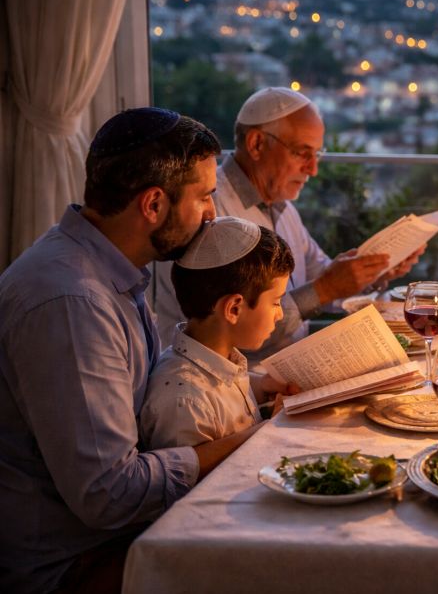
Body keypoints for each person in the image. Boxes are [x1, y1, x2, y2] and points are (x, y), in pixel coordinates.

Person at [0, 109, 266, 592]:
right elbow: (109, 494)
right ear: (153, 204)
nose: (212, 213)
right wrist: (247, 442)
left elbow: (147, 388)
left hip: (108, 535)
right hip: (72, 561)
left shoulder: (108, 267)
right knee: (279, 566)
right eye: (206, 196)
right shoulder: (73, 301)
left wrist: (258, 388)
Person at [152, 86, 424, 362]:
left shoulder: (283, 206)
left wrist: (375, 272)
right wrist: (325, 289)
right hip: (236, 386)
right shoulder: (209, 211)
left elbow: (321, 275)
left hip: (290, 371)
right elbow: (233, 333)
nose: (313, 169)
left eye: (317, 155)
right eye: (302, 152)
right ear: (257, 144)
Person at [141, 217, 299, 449]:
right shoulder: (185, 403)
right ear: (234, 308)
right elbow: (197, 482)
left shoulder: (219, 360)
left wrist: (262, 386)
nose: (280, 315)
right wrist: (271, 428)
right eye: (276, 302)